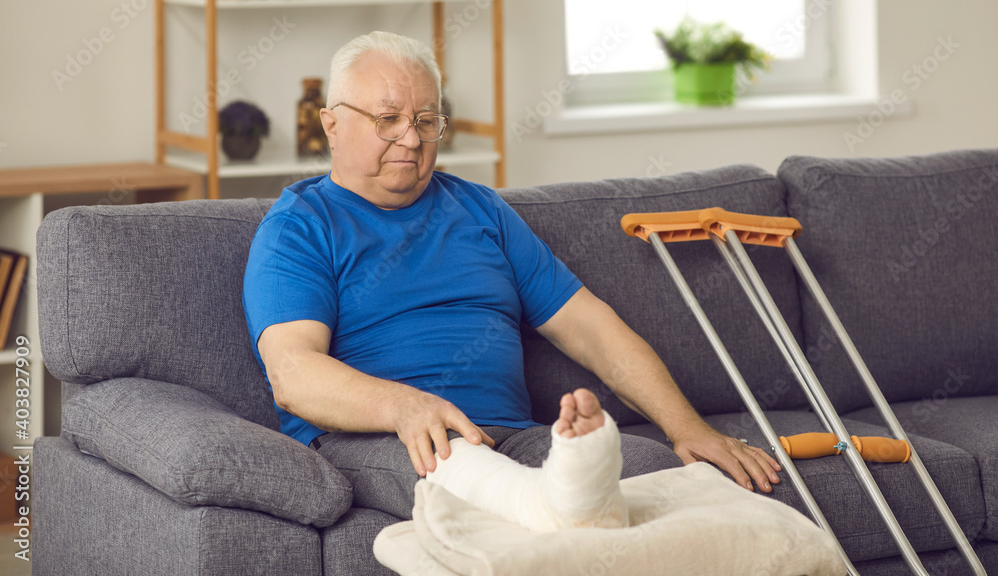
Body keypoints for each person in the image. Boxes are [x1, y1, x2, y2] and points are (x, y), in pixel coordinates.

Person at [242, 31, 781, 523]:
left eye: (427, 120)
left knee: (650, 474)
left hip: (512, 439)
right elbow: (293, 373)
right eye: (388, 119)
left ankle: (565, 494)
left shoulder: (481, 210)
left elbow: (588, 325)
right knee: (495, 488)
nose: (411, 138)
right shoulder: (300, 226)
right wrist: (405, 405)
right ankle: (555, 498)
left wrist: (686, 428)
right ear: (331, 123)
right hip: (383, 439)